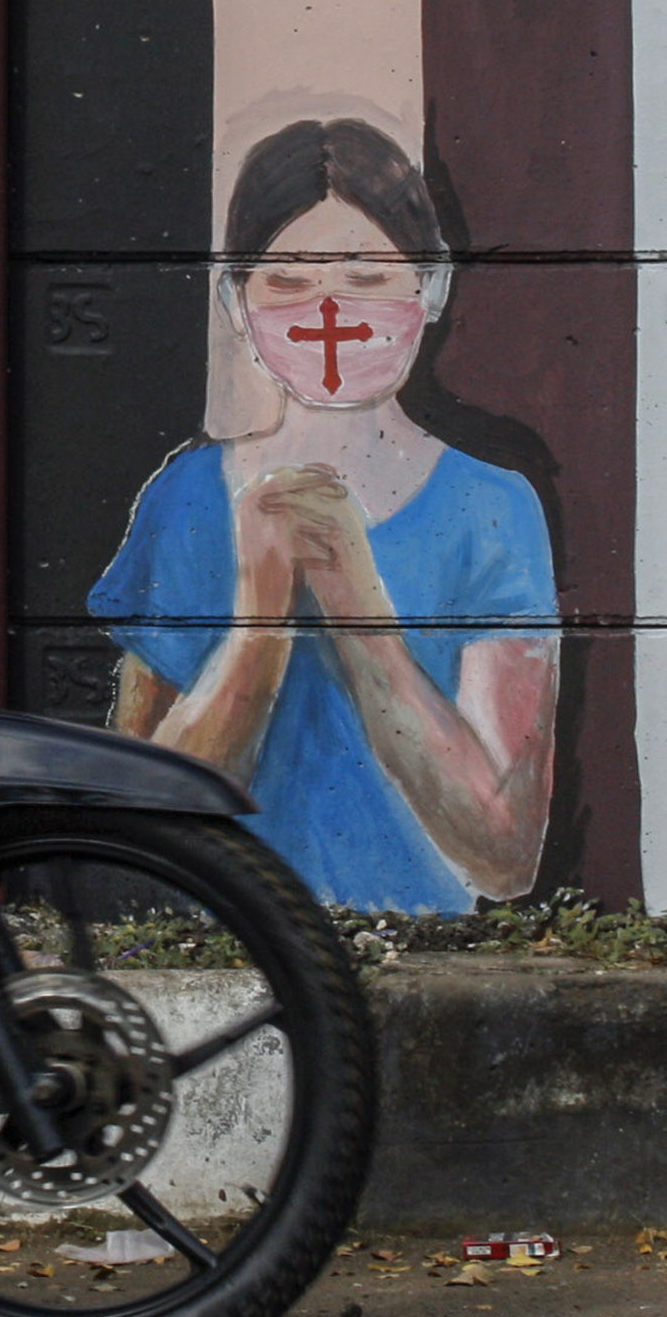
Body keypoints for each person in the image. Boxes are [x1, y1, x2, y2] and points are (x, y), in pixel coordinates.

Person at [91, 118, 557, 914]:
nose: (330, 310)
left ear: (431, 287)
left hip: (423, 944)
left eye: (368, 277)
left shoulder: (492, 507)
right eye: (287, 281)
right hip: (228, 939)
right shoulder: (186, 499)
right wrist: (259, 623)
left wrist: (357, 608)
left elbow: (505, 854)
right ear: (236, 300)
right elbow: (139, 818)